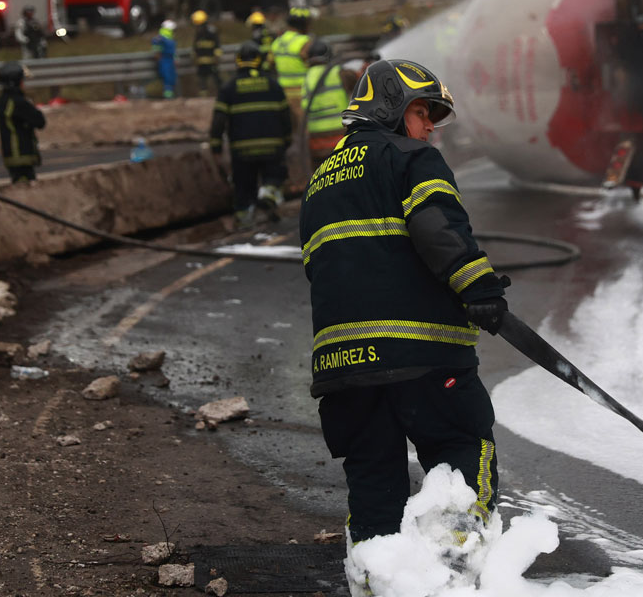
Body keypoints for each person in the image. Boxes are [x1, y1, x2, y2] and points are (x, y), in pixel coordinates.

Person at [299, 59, 508, 591]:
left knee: (373, 492)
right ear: (392, 111)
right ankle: (453, 579)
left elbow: (319, 267)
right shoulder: (412, 158)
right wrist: (479, 289)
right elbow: (437, 228)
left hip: (343, 370)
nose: (430, 126)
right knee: (463, 453)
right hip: (424, 357)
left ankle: (376, 582)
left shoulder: (320, 180)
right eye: (422, 112)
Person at [208, 42, 292, 228]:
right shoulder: (273, 85)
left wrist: (216, 148)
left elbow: (218, 122)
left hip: (242, 150)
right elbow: (287, 117)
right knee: (274, 176)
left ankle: (245, 219)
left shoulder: (229, 88)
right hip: (273, 147)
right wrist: (286, 140)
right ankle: (269, 193)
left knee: (243, 187)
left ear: (238, 62)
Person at [300, 39, 355, 163]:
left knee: (322, 175)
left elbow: (304, 108)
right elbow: (358, 84)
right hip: (340, 135)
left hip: (316, 139)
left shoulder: (306, 78)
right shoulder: (339, 72)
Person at [0, 62, 46, 183]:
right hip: (21, 155)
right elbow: (40, 121)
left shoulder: (3, 100)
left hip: (12, 157)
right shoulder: (17, 102)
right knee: (24, 185)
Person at [269, 6, 313, 125]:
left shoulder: (277, 42)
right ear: (304, 24)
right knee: (304, 126)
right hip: (303, 92)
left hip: (283, 92)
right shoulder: (305, 41)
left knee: (290, 126)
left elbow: (270, 63)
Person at [191, 10, 222, 97]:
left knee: (217, 80)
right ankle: (203, 98)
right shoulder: (198, 33)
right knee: (202, 82)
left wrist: (217, 58)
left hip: (211, 61)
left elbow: (217, 46)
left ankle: (222, 95)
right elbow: (195, 47)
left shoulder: (211, 32)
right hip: (202, 63)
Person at [151, 20, 178, 99]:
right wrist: (159, 59)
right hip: (164, 61)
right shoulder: (160, 39)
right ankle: (168, 96)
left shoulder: (170, 39)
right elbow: (157, 51)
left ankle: (170, 95)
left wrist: (175, 59)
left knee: (171, 78)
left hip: (169, 61)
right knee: (167, 78)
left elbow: (173, 52)